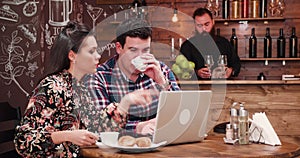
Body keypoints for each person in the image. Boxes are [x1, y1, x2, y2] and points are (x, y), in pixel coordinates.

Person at [14, 21, 137, 157]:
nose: (98, 56)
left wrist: (126, 103)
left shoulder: (80, 88)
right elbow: (23, 141)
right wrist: (68, 135)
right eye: (91, 51)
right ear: (72, 56)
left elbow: (98, 126)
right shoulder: (51, 86)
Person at [86, 18, 180, 136]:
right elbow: (100, 126)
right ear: (119, 48)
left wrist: (161, 82)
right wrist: (137, 128)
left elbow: (180, 113)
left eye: (145, 50)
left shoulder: (161, 70)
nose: (139, 57)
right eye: (133, 50)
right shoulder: (99, 78)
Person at [180, 8, 241, 79]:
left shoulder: (224, 43)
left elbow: (236, 64)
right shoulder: (187, 46)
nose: (204, 29)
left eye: (207, 24)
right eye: (199, 25)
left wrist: (230, 71)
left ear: (213, 22)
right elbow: (181, 71)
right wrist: (197, 73)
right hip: (197, 88)